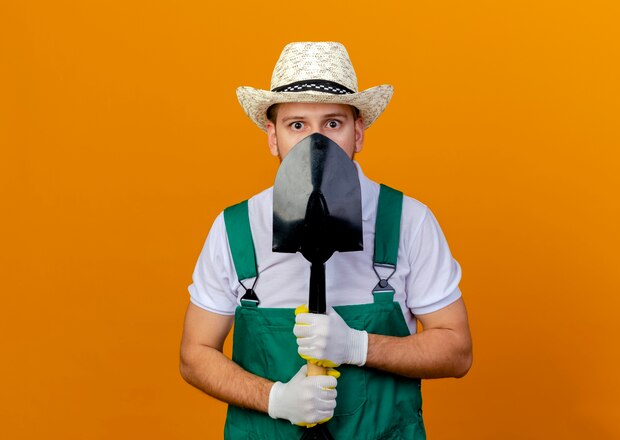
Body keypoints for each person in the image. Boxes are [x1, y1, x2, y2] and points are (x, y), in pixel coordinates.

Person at [180, 42, 472, 439]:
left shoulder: (407, 221)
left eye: (332, 124)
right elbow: (195, 355)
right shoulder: (236, 228)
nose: (315, 142)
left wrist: (358, 346)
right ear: (273, 136)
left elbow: (457, 351)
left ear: (358, 132)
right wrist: (274, 398)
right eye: (296, 125)